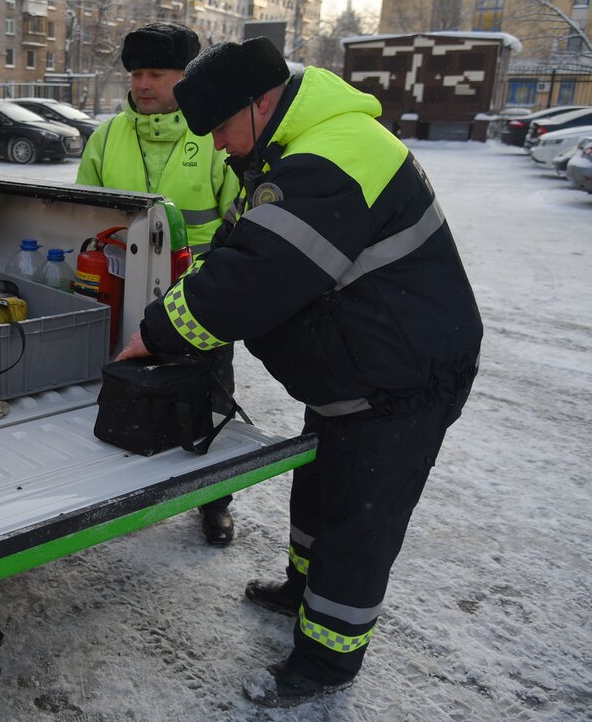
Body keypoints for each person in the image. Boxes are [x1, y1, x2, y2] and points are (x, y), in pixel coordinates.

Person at [116, 37, 483, 707]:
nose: (222, 146)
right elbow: (236, 244)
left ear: (260, 103)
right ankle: (301, 589)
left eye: (224, 128)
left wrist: (155, 331)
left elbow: (254, 279)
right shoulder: (292, 148)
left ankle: (324, 663)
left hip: (403, 380)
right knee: (318, 494)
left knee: (357, 524)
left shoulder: (333, 157)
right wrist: (175, 299)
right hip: (356, 375)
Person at [76, 22, 242, 547]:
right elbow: (82, 211)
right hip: (119, 292)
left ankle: (213, 499)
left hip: (201, 297)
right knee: (120, 389)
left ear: (185, 76)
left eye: (157, 73)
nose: (143, 84)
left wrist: (210, 283)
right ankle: (115, 491)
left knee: (208, 397)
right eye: (136, 73)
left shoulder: (217, 134)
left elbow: (240, 222)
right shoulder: (107, 136)